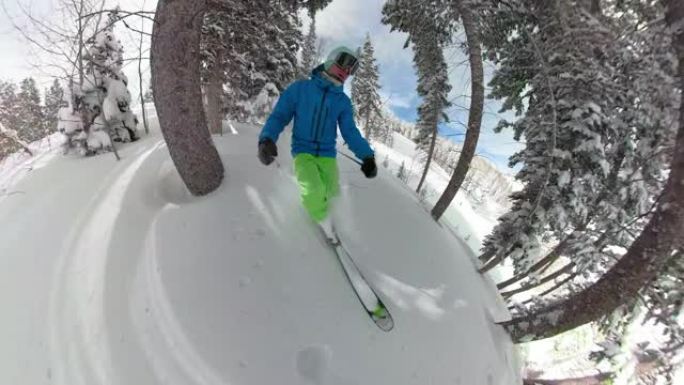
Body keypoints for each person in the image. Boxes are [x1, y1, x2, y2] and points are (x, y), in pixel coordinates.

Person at [257, 46, 377, 242]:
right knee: (313, 188)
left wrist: (367, 155)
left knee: (332, 192)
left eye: (351, 70)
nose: (346, 71)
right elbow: (280, 116)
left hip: (327, 155)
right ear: (331, 60)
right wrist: (267, 138)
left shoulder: (342, 102)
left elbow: (350, 132)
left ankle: (334, 220)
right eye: (344, 63)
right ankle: (324, 222)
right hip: (303, 151)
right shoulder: (300, 89)